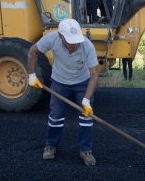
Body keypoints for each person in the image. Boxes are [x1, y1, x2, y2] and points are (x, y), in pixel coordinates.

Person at [27, 19, 99, 166]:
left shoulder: (87, 46)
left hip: (82, 82)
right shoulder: (51, 39)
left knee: (86, 117)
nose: (74, 45)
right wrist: (31, 75)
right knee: (56, 116)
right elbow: (33, 51)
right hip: (60, 82)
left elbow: (94, 75)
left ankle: (85, 150)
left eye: (76, 40)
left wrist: (86, 100)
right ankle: (51, 145)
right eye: (70, 41)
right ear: (60, 36)